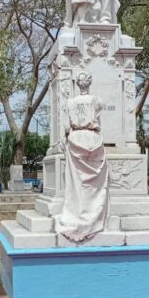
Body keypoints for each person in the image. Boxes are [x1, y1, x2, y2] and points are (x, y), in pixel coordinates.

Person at [55, 72, 108, 242]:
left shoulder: (69, 103)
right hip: (93, 138)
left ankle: (76, 213)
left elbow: (66, 126)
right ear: (89, 83)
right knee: (94, 185)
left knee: (76, 183)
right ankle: (93, 214)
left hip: (76, 138)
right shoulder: (97, 101)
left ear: (77, 84)